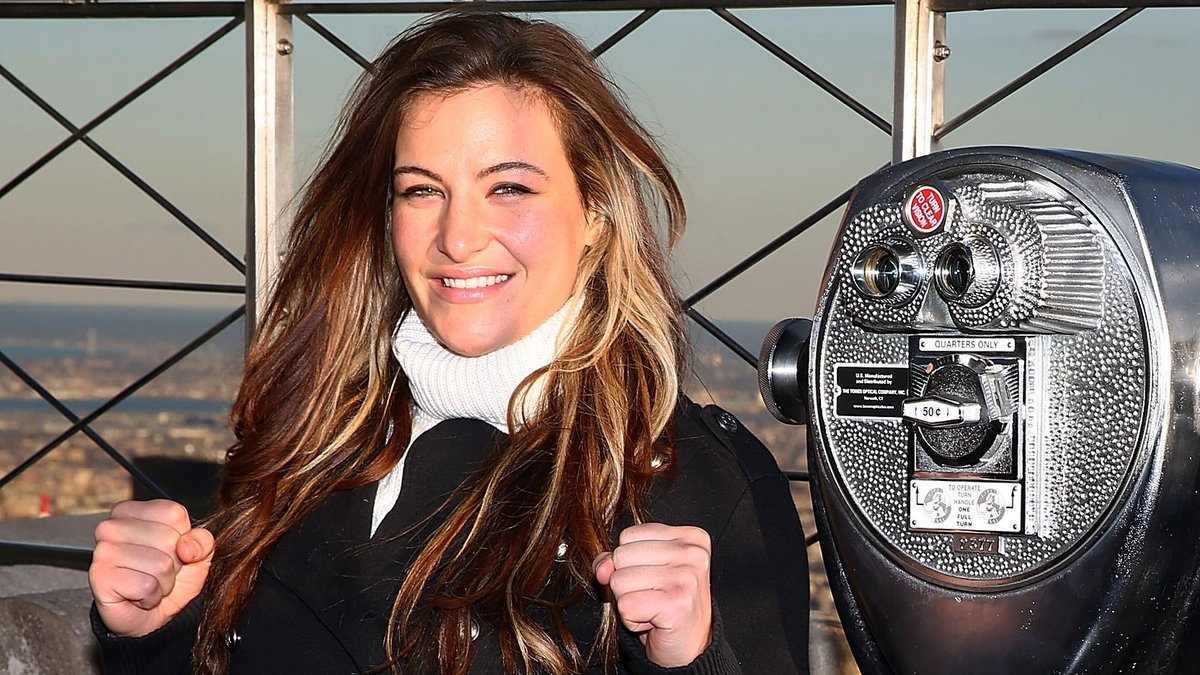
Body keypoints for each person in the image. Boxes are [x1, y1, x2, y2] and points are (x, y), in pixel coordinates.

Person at [88, 11, 809, 674]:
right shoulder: (312, 433)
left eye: (510, 189)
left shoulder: (696, 483)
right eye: (421, 190)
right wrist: (156, 631)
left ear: (595, 211)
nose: (458, 238)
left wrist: (689, 660)